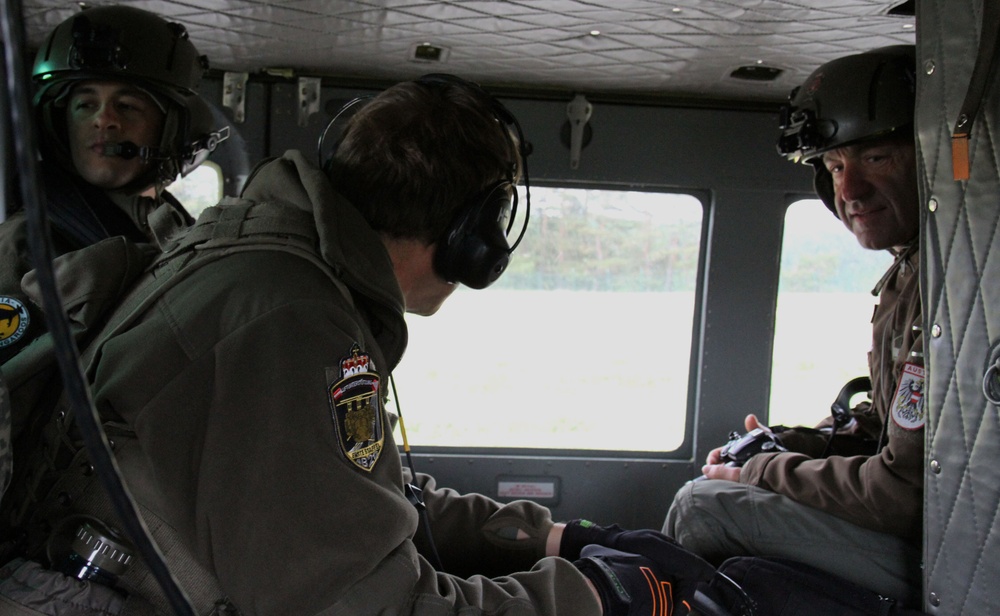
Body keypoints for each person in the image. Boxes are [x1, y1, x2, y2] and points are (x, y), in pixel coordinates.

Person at [0, 74, 714, 615]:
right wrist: (599, 596)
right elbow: (373, 606)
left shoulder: (268, 270)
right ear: (470, 236)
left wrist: (555, 539)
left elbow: (360, 493)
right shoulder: (290, 322)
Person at [662, 45, 924, 606]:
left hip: (941, 548)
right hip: (922, 531)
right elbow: (888, 432)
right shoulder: (913, 275)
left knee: (700, 508)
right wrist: (790, 444)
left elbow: (903, 493)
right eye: (835, 167)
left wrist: (765, 472)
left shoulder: (950, 290)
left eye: (877, 158)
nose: (849, 191)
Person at [0, 5, 226, 364]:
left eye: (127, 106)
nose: (103, 119)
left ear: (171, 131)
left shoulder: (178, 228)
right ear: (60, 126)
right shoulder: (26, 242)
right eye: (85, 104)